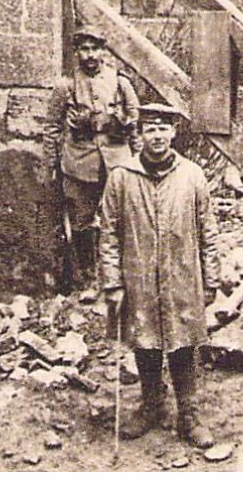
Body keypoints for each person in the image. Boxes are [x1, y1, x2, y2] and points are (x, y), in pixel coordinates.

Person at [99, 103, 217, 448]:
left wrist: (211, 279)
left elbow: (208, 229)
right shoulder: (122, 177)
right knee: (145, 341)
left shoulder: (192, 175)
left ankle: (188, 415)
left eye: (163, 129)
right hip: (138, 277)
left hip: (182, 276)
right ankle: (151, 405)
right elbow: (108, 233)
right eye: (150, 129)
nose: (158, 136)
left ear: (174, 133)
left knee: (183, 344)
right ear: (139, 135)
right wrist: (112, 283)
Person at [50, 27, 140, 291]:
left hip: (117, 161)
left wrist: (137, 158)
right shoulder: (65, 86)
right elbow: (52, 129)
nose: (90, 55)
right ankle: (89, 278)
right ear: (77, 52)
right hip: (80, 164)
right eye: (84, 49)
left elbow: (135, 123)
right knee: (81, 222)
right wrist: (53, 165)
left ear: (103, 51)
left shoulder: (121, 82)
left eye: (95, 49)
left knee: (122, 219)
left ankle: (121, 277)